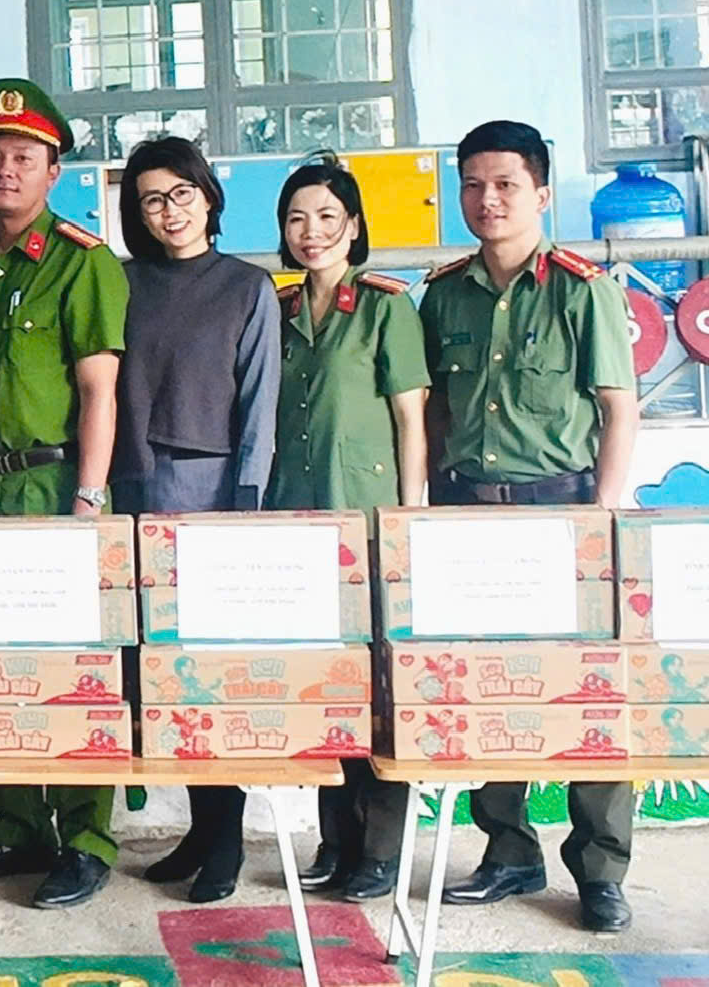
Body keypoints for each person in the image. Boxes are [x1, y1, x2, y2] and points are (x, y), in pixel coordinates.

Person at [421, 120, 639, 935]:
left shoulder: (583, 289)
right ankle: (507, 848)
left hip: (565, 510)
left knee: (590, 695)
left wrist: (602, 515)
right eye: (472, 185)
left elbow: (618, 409)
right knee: (486, 690)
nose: (486, 200)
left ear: (541, 191)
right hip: (469, 512)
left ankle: (600, 866)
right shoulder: (442, 293)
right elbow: (437, 409)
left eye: (505, 184)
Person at [0, 80, 128, 911]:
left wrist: (88, 497)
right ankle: (16, 819)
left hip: (56, 484)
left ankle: (84, 835)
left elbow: (99, 391)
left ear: (53, 170)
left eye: (22, 156)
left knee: (76, 664)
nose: (4, 168)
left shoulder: (84, 262)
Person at [113, 136, 279, 905]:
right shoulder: (122, 282)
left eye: (180, 193)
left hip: (212, 491)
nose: (167, 210)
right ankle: (195, 825)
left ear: (208, 196)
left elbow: (259, 405)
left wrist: (243, 504)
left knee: (210, 674)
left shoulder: (246, 286)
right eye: (150, 198)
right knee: (157, 673)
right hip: (133, 485)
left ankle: (225, 836)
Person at [267, 154, 428, 904]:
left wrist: (408, 519)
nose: (311, 232)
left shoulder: (385, 305)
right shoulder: (278, 309)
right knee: (327, 688)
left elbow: (410, 418)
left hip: (367, 524)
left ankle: (381, 851)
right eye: (296, 218)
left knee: (380, 690)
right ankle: (335, 841)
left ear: (353, 226)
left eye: (327, 217)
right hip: (299, 524)